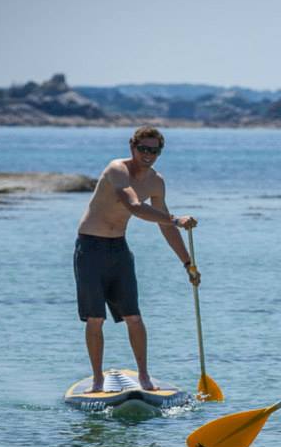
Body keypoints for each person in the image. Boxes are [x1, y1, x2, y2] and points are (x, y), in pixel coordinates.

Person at [74, 126, 199, 393]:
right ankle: (97, 380)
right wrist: (176, 219)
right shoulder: (117, 169)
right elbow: (134, 206)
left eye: (154, 151)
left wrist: (188, 264)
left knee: (134, 317)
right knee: (96, 319)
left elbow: (164, 226)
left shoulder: (156, 182)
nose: (148, 155)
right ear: (133, 147)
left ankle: (144, 377)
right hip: (90, 248)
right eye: (144, 149)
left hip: (119, 249)